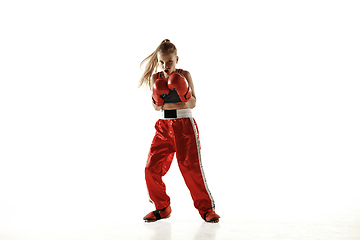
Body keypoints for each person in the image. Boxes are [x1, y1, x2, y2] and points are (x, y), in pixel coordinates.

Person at [138, 39, 220, 223]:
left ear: (176, 59)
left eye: (169, 61)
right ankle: (162, 207)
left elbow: (193, 103)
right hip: (163, 126)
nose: (165, 66)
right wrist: (157, 99)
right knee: (151, 168)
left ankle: (206, 210)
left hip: (184, 124)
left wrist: (184, 92)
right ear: (158, 61)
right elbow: (156, 108)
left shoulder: (185, 75)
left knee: (190, 168)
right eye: (162, 62)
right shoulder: (156, 79)